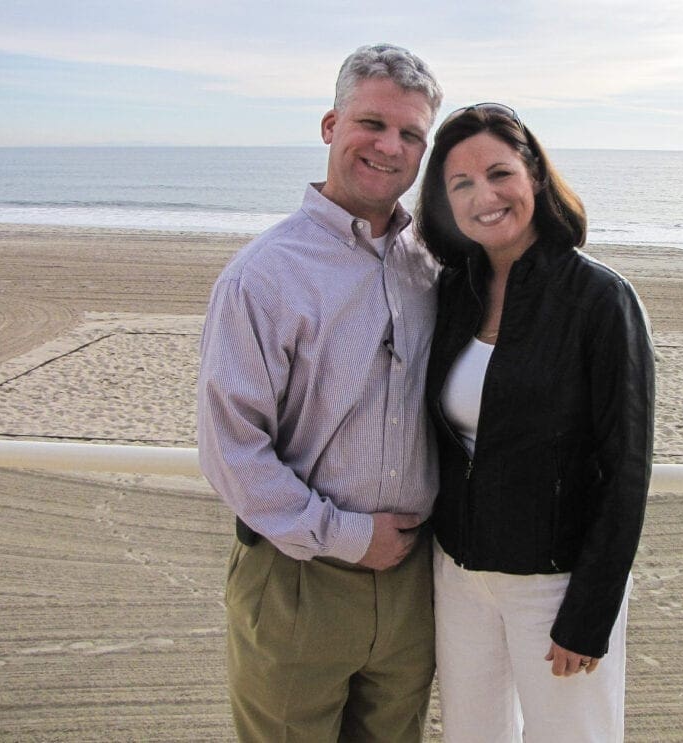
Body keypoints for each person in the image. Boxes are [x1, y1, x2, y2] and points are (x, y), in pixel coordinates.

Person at [197, 44, 443, 742]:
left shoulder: (432, 266)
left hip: (411, 586)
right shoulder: (263, 276)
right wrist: (350, 536)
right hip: (298, 578)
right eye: (373, 123)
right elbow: (231, 451)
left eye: (411, 134)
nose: (390, 146)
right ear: (331, 125)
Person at [415, 103, 655, 743]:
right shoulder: (452, 293)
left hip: (555, 583)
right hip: (460, 575)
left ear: (536, 178)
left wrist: (589, 613)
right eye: (460, 184)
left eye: (499, 173)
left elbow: (626, 467)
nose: (483, 196)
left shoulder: (600, 300)